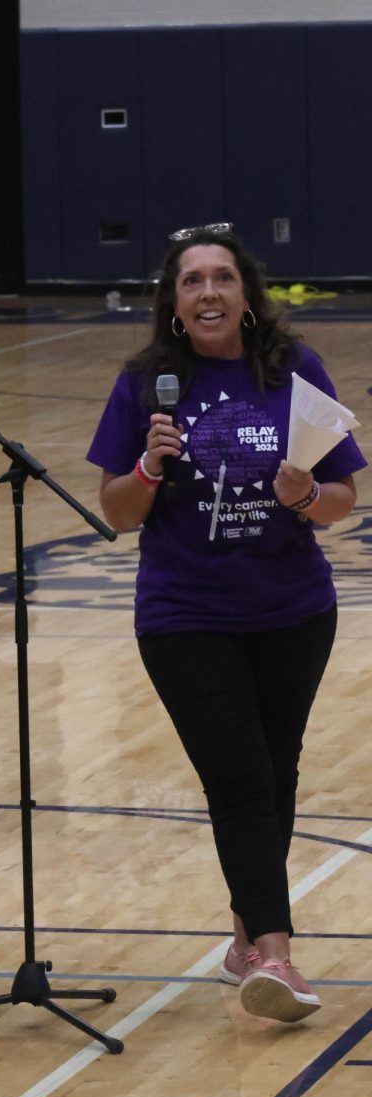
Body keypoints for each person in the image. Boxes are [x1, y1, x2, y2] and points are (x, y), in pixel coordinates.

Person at [87, 224, 366, 1024]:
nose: (207, 292)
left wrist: (305, 497)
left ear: (247, 294)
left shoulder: (295, 371)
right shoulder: (146, 384)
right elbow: (116, 511)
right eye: (190, 281)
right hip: (185, 615)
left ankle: (244, 936)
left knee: (276, 773)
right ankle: (277, 958)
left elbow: (344, 498)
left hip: (295, 611)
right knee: (240, 777)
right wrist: (147, 467)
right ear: (173, 304)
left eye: (221, 278)